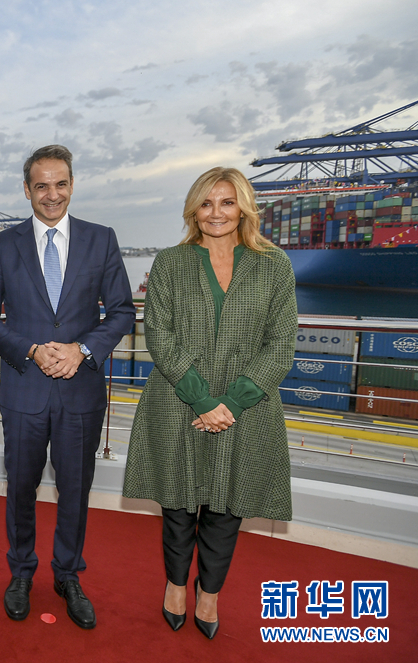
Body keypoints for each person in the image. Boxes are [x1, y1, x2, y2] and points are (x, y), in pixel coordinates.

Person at [123, 167, 297, 639]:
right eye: (206, 203)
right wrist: (201, 399)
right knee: (178, 504)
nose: (216, 212)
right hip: (178, 398)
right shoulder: (170, 263)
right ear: (193, 211)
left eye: (226, 202)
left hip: (247, 406)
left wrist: (232, 403)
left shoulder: (274, 265)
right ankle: (176, 585)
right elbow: (159, 334)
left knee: (226, 507)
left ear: (244, 208)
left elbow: (281, 344)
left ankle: (210, 593)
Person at [0, 145, 135, 629]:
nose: (52, 194)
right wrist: (29, 349)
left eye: (60, 183)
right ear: (27, 190)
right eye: (41, 185)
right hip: (24, 388)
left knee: (75, 490)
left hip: (80, 391)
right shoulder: (3, 245)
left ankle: (68, 575)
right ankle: (21, 572)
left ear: (72, 185)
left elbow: (122, 311)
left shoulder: (101, 239)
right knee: (20, 488)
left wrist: (82, 350)